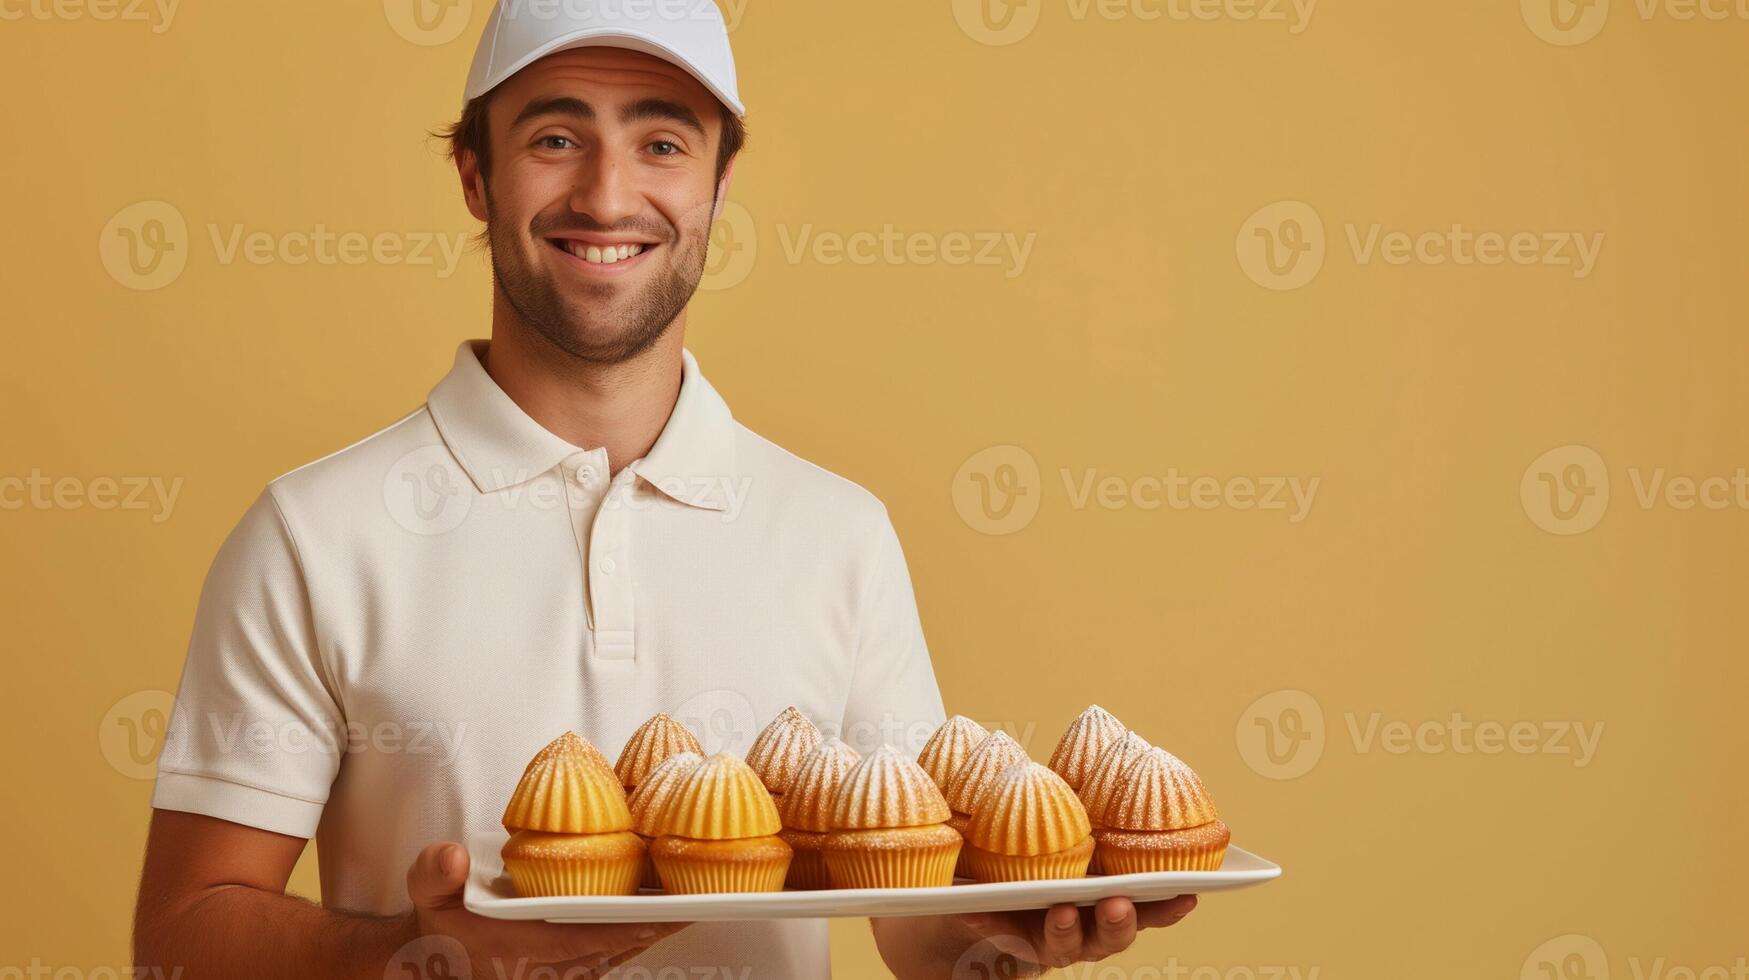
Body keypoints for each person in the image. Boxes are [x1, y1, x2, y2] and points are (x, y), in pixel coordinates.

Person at [130, 1, 1196, 975]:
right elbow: (178, 937)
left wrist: (1008, 935)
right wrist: (413, 950)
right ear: (474, 174)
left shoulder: (840, 534)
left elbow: (910, 915)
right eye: (555, 137)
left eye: (662, 142)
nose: (606, 194)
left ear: (719, 181)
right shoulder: (312, 535)